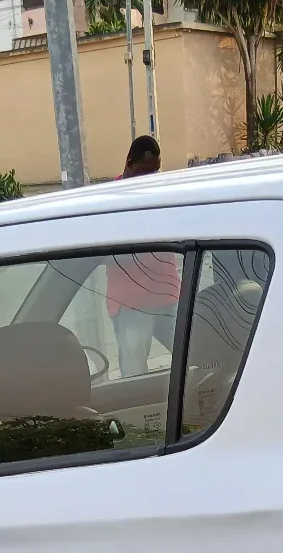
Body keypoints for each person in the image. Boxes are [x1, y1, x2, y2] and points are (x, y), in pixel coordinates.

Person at [108, 136, 179, 375]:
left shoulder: (163, 195)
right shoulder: (110, 202)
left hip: (168, 296)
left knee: (199, 359)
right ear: (128, 163)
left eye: (155, 171)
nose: (150, 178)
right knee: (134, 374)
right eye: (143, 171)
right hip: (131, 304)